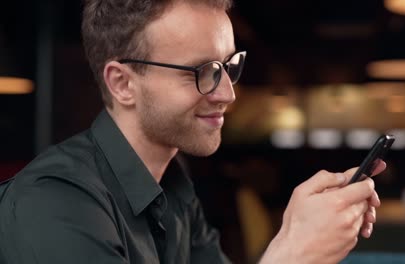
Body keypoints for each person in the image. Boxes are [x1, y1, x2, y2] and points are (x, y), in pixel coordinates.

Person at [0, 0, 385, 263]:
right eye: (202, 72)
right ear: (122, 83)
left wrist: (301, 234)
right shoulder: (52, 202)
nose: (227, 94)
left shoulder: (174, 191)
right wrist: (292, 253)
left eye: (228, 66)